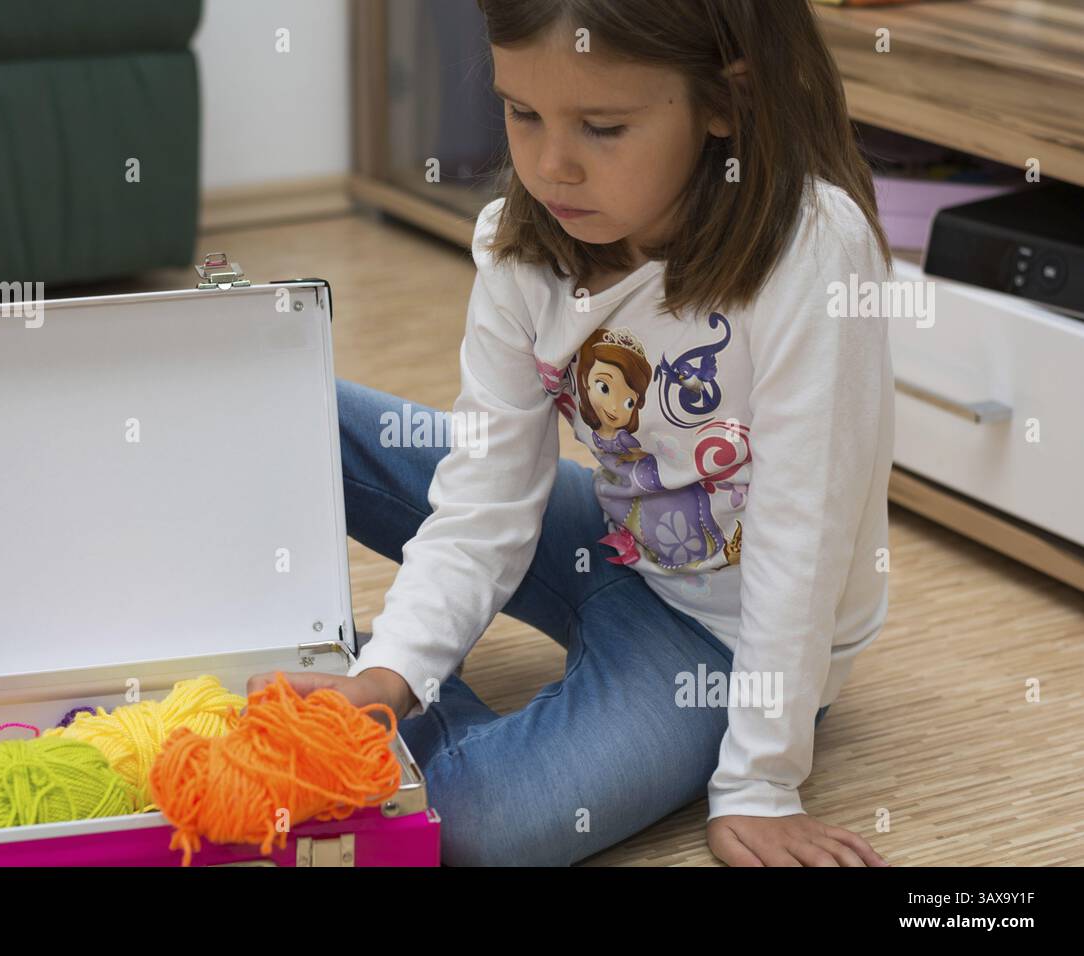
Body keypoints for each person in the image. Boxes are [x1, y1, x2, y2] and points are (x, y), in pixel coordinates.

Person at [251, 0, 893, 867]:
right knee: (286, 405)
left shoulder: (812, 251)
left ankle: (364, 675)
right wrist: (391, 680)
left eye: (602, 126)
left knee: (484, 829)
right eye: (521, 113)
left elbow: (801, 539)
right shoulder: (520, 249)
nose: (551, 166)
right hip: (612, 533)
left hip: (727, 640)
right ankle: (365, 671)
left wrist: (759, 781)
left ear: (725, 103)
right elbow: (484, 500)